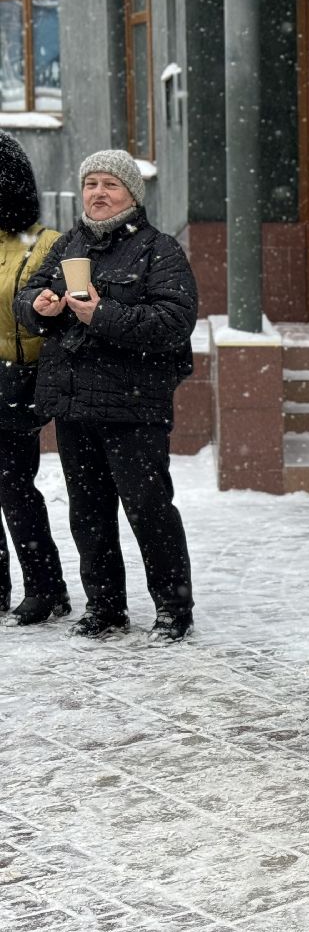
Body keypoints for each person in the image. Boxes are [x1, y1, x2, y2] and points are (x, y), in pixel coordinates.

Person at [16, 150, 200, 643]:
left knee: (149, 509)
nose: (98, 193)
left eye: (110, 185)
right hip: (74, 403)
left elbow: (173, 323)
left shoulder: (159, 250)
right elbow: (28, 299)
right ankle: (104, 606)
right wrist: (39, 306)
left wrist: (102, 315)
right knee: (88, 511)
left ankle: (172, 608)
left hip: (133, 405)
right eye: (91, 183)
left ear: (132, 195)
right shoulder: (66, 245)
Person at [0, 131, 72, 627]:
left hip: (16, 379)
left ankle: (46, 587)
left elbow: (48, 316)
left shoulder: (48, 244)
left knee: (14, 486)